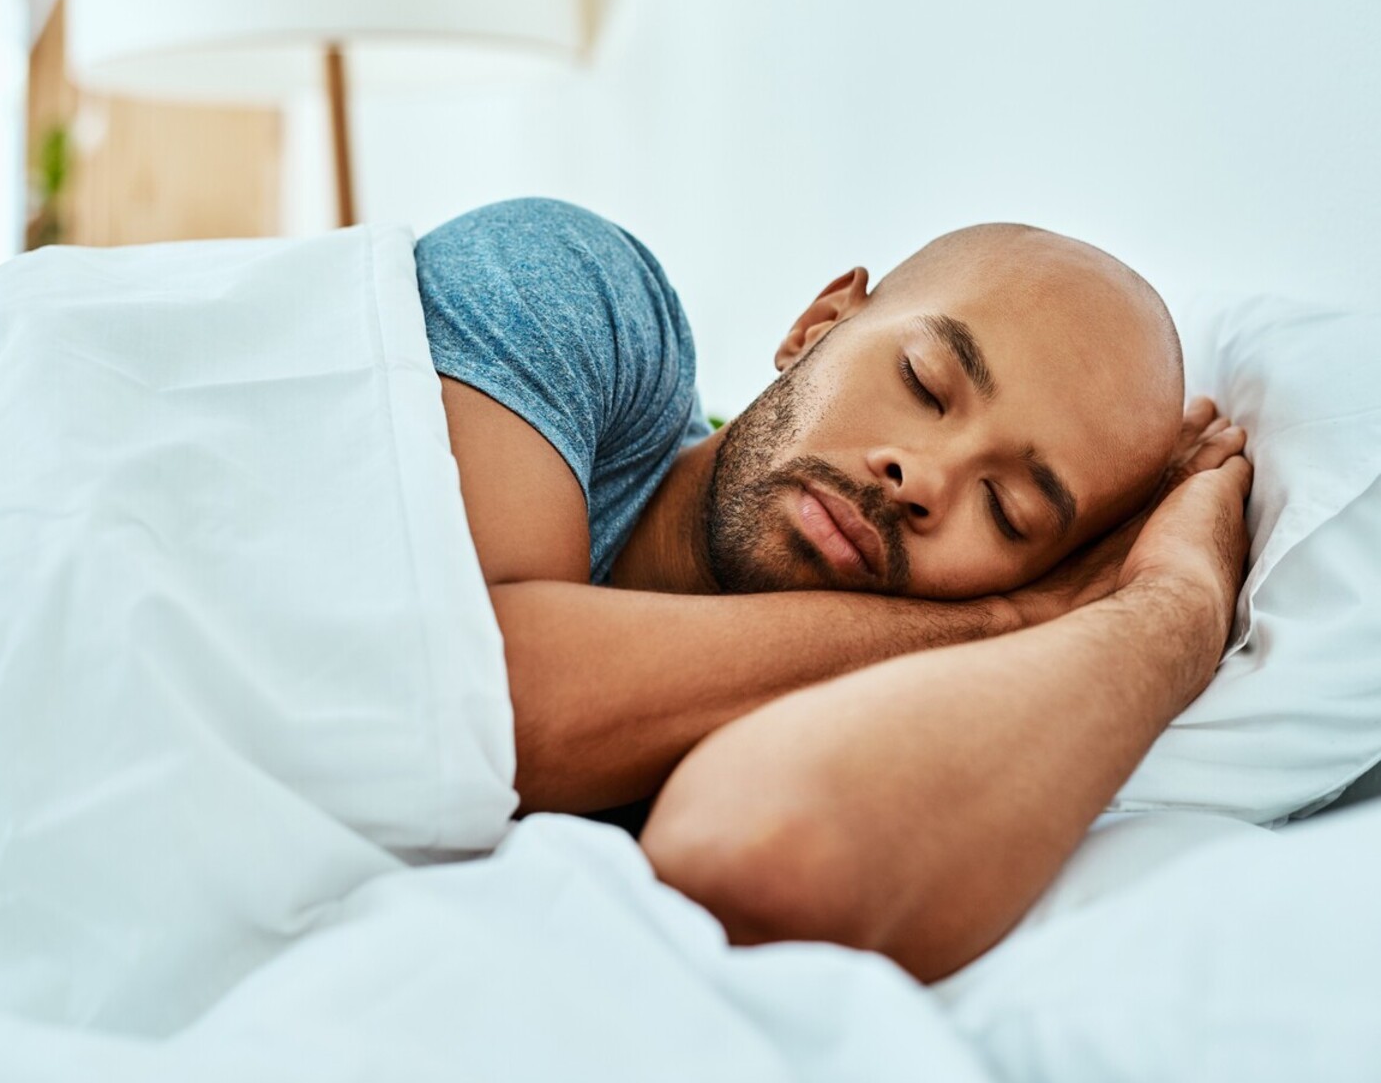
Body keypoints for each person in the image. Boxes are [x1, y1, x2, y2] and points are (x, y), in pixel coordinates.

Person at [418, 197, 1250, 979]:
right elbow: (478, 702)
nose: (920, 478)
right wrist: (1011, 616)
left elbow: (764, 860)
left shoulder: (861, 697)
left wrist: (1175, 608)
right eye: (923, 384)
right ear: (816, 325)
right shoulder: (570, 290)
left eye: (1008, 511)